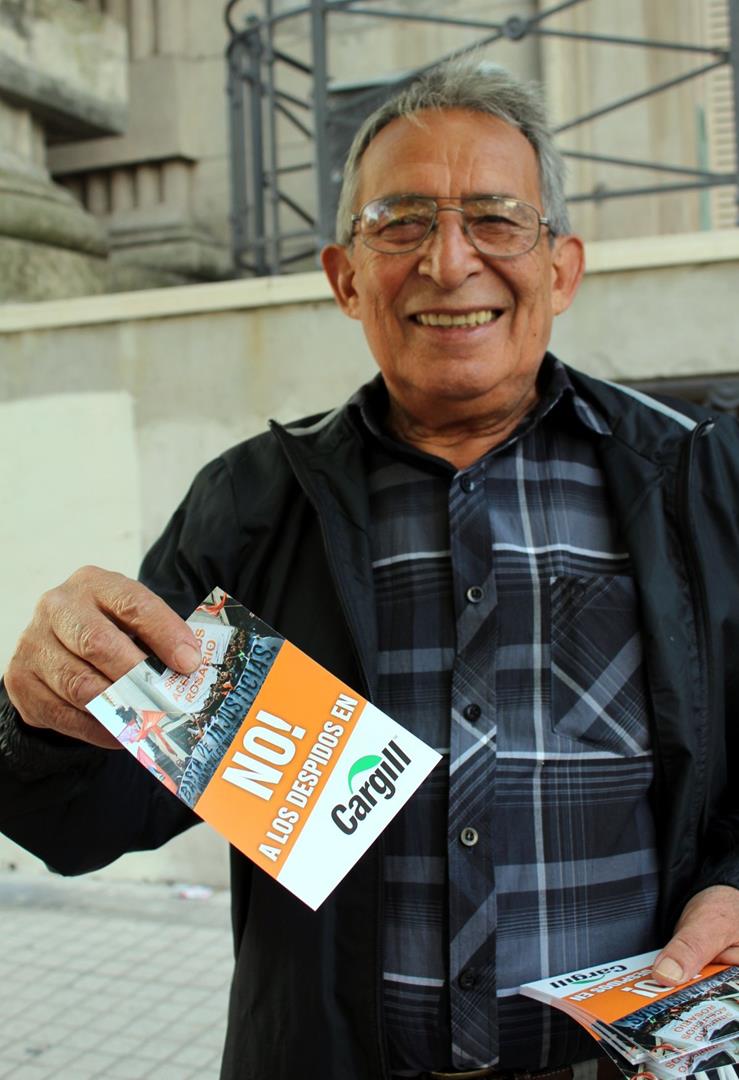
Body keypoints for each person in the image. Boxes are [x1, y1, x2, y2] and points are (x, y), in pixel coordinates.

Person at [2, 59, 739, 1080]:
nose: (449, 260)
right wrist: (44, 717)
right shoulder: (249, 505)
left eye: (495, 220)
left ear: (562, 268)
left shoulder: (696, 479)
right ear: (344, 276)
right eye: (400, 223)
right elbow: (89, 821)